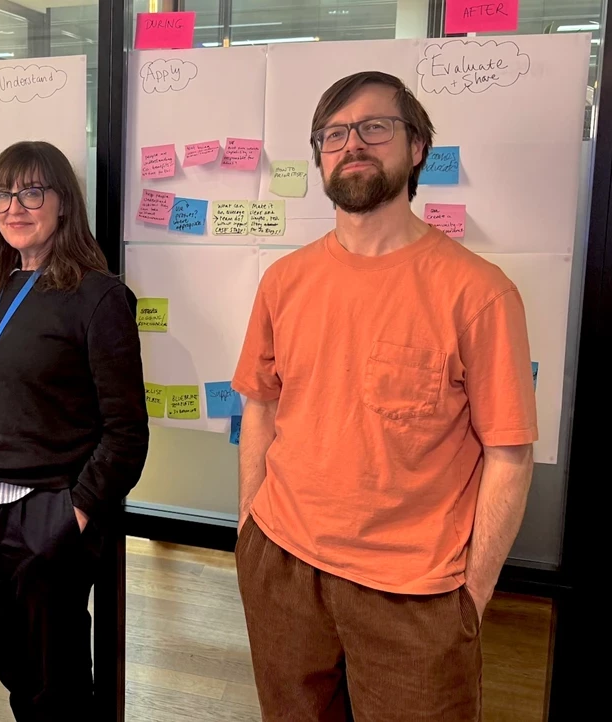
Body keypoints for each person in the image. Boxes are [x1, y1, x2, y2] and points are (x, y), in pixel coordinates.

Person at [232, 70, 538, 721]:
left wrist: (471, 595)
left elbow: (509, 454)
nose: (353, 144)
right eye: (334, 133)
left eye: (375, 127)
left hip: (416, 595)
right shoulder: (285, 281)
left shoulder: (479, 293)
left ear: (417, 146)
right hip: (284, 570)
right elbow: (260, 403)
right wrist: (247, 527)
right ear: (319, 155)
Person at [0, 140, 149, 721]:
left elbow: (125, 433)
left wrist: (74, 515)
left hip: (45, 515)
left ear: (64, 202)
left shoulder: (99, 297)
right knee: (18, 680)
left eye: (32, 192)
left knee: (56, 690)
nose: (14, 207)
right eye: (1, 195)